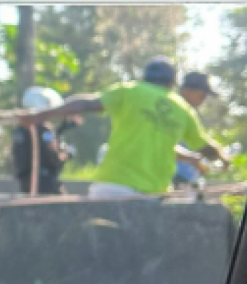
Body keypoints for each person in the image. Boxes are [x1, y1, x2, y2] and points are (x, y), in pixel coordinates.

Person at [19, 57, 229, 199]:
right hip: (153, 194)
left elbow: (83, 104)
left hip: (112, 187)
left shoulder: (129, 91)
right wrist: (223, 158)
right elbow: (205, 147)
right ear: (172, 82)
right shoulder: (182, 109)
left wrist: (38, 116)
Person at [11, 86, 74, 195]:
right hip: (45, 182)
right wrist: (66, 155)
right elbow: (52, 157)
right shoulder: (45, 130)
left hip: (25, 182)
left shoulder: (19, 130)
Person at [173, 72, 216, 186]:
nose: (204, 100)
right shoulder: (175, 111)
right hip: (173, 178)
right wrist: (191, 158)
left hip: (186, 179)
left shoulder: (189, 114)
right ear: (187, 92)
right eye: (202, 95)